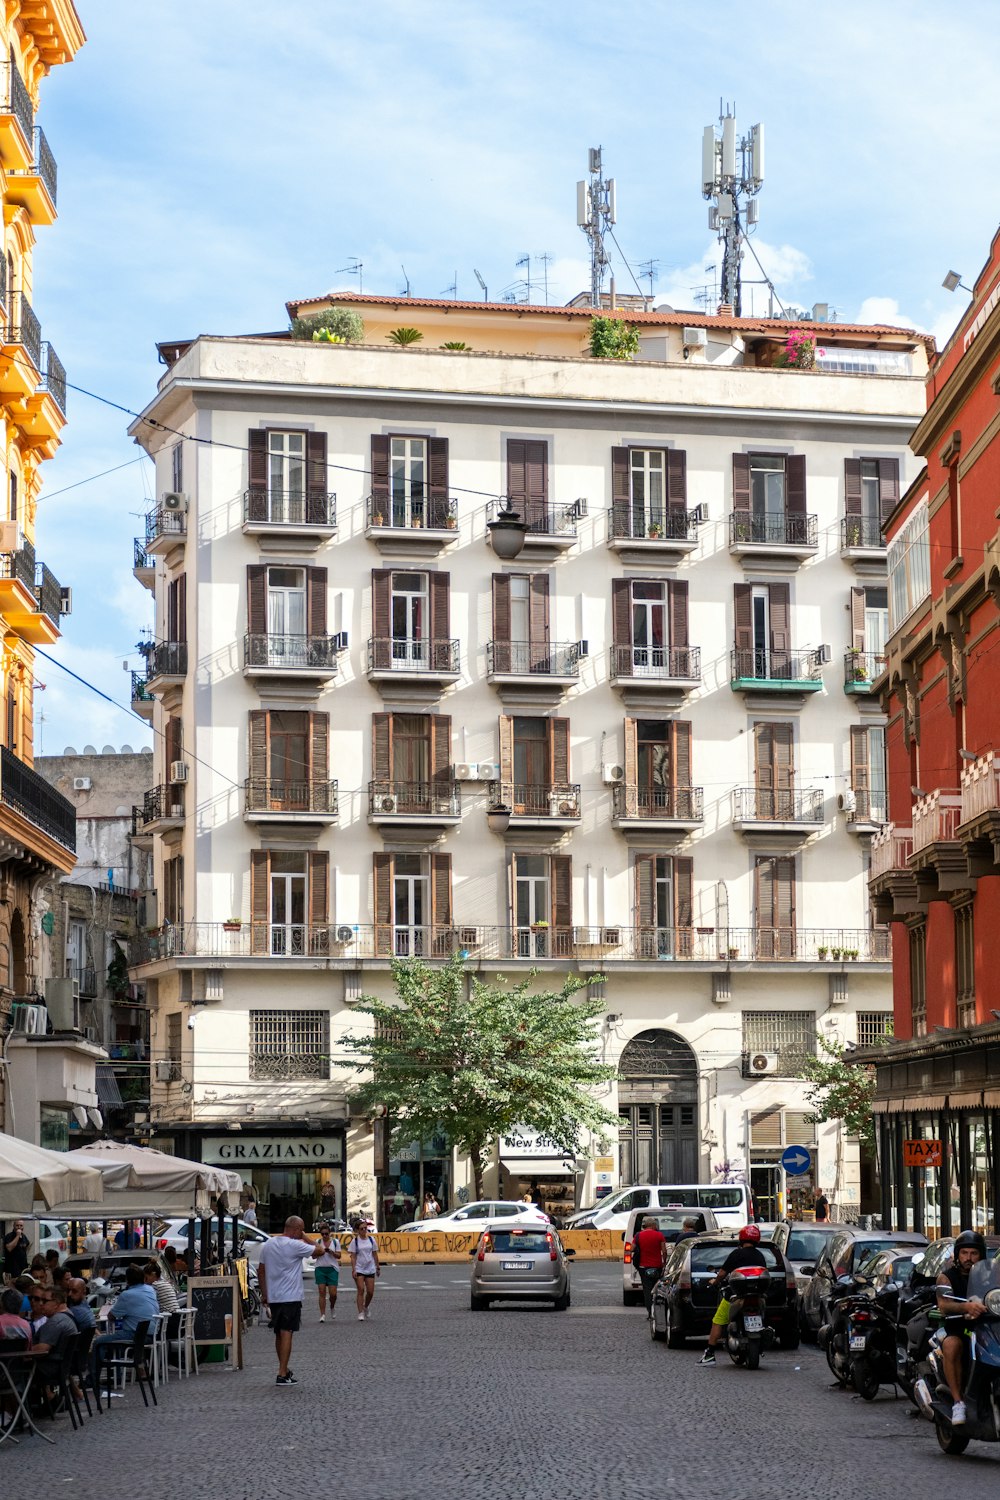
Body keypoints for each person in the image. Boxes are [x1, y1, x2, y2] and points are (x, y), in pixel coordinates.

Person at [257, 1215, 324, 1386]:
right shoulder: (295, 1245)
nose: (301, 1233)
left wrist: (265, 1294)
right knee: (287, 1332)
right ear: (296, 1229)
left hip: (274, 1296)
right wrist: (304, 1237)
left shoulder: (268, 1244)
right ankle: (281, 1373)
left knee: (279, 1333)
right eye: (301, 1229)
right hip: (290, 1296)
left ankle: (284, 1369)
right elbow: (320, 1250)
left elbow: (261, 1271)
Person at [936, 1229, 989, 1426]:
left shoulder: (990, 1274)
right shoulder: (947, 1277)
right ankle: (958, 1402)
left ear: (981, 1255)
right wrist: (967, 1306)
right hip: (959, 1329)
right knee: (951, 1345)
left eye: (974, 1253)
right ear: (958, 1254)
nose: (969, 1258)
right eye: (965, 1253)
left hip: (987, 1329)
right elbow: (944, 1304)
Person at [699, 1224, 769, 1365]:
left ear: (741, 1238)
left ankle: (709, 1354)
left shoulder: (736, 1254)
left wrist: (715, 1281)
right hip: (757, 1296)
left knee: (718, 1320)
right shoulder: (760, 1255)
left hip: (736, 1296)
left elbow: (723, 1273)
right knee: (764, 1316)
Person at [89, 1263, 159, 1388]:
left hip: (134, 1335)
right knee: (115, 1339)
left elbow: (111, 1316)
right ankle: (117, 1376)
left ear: (128, 1280)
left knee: (99, 1342)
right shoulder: (150, 1289)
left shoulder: (127, 1295)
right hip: (151, 1333)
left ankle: (93, 1379)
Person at [29, 1285, 78, 1396]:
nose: (41, 1304)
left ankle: (27, 1407)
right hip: (61, 1366)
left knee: (12, 1372)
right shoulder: (68, 1315)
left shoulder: (55, 1321)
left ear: (55, 1303)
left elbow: (42, 1349)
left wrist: (25, 1352)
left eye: (45, 1300)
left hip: (51, 1368)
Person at [632, 1215, 669, 1316]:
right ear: (653, 1225)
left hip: (643, 1267)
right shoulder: (659, 1235)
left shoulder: (638, 1235)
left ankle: (650, 1311)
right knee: (657, 1288)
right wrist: (664, 1262)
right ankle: (659, 1310)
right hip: (657, 1266)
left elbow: (631, 1249)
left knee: (647, 1289)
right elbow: (664, 1251)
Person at [346, 1216, 380, 1321]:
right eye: (362, 1229)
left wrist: (377, 1266)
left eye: (366, 1228)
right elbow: (353, 1257)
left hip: (370, 1267)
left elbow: (374, 1254)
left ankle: (366, 1306)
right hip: (359, 1268)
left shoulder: (371, 1239)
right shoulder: (355, 1242)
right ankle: (360, 1312)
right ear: (357, 1230)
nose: (364, 1230)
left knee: (370, 1292)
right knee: (361, 1289)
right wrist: (354, 1269)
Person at [313, 1224, 341, 1322]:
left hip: (332, 1269)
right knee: (321, 1292)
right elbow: (313, 1256)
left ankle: (332, 1306)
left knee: (333, 1294)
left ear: (330, 1233)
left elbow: (339, 1256)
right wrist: (320, 1252)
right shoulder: (318, 1242)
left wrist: (331, 1252)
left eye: (326, 1234)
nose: (324, 1236)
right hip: (320, 1268)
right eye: (322, 1234)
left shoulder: (335, 1242)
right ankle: (322, 1315)